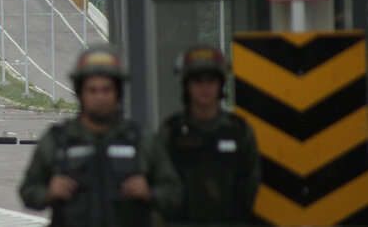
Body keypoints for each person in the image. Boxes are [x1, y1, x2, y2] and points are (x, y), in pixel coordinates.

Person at [19, 47, 183, 227]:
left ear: (118, 93)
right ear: (80, 93)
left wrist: (150, 193)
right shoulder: (58, 140)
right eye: (92, 90)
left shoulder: (141, 139)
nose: (100, 97)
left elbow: (174, 192)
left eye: (107, 90)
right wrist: (48, 193)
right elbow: (28, 191)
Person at [158, 46, 260, 226]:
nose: (204, 87)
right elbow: (160, 185)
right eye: (197, 80)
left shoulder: (240, 131)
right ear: (186, 85)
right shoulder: (170, 132)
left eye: (211, 80)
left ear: (220, 84)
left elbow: (252, 183)